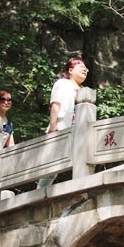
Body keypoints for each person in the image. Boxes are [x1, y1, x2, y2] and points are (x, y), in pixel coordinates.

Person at [38, 57, 88, 188]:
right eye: (81, 66)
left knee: (81, 163)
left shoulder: (84, 90)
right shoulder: (62, 84)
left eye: (85, 68)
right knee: (52, 168)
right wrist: (53, 126)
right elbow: (56, 104)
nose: (84, 70)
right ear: (70, 70)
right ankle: (39, 192)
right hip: (61, 128)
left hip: (79, 132)